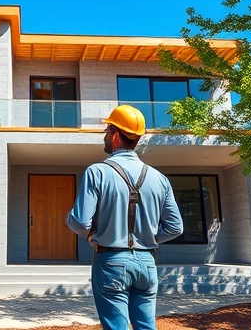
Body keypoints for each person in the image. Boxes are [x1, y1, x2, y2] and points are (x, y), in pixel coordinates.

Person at [67, 105, 184, 330]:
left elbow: (81, 222)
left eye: (107, 131)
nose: (105, 136)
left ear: (117, 136)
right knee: (146, 327)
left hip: (111, 262)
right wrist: (149, 238)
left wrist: (86, 230)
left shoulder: (97, 172)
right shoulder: (160, 179)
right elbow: (175, 227)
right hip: (147, 264)